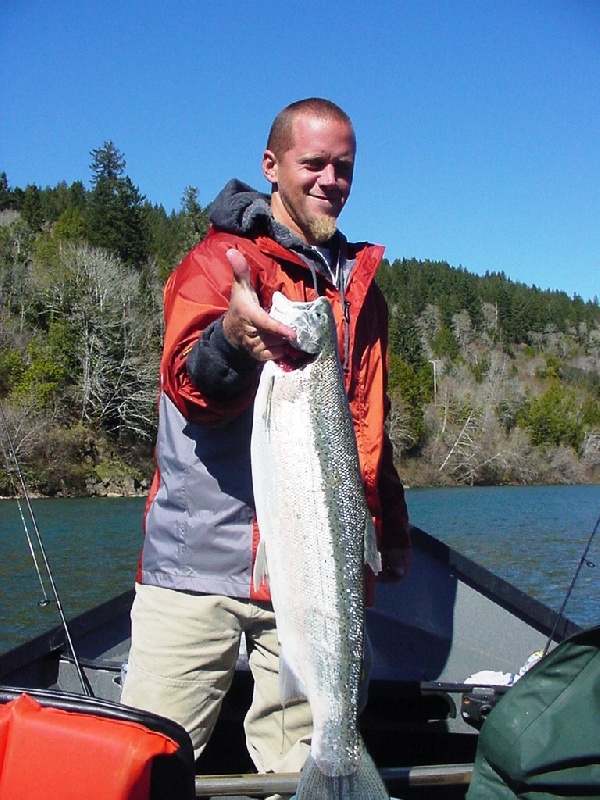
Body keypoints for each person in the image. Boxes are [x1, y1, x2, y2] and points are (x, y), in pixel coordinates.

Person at [121, 97, 412, 782]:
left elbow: (369, 424)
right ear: (271, 165)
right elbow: (189, 383)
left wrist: (390, 528)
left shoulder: (361, 290)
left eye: (343, 166)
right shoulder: (218, 261)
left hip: (315, 577)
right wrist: (233, 338)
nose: (329, 179)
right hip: (196, 567)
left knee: (302, 767)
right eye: (313, 163)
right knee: (146, 766)